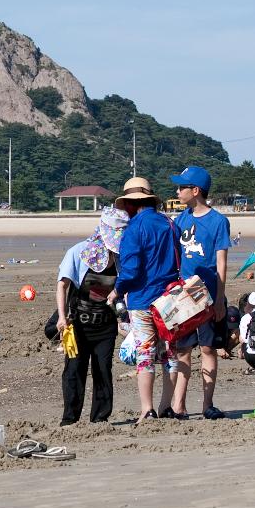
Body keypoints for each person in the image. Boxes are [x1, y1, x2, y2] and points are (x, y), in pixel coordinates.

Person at [112, 177, 183, 424]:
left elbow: (130, 270)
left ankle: (147, 409)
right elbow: (179, 262)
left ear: (131, 204)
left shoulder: (134, 229)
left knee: (145, 353)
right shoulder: (170, 225)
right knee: (169, 354)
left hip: (142, 299)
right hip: (170, 300)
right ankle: (166, 407)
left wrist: (117, 290)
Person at [168, 165, 231, 422]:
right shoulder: (179, 220)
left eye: (182, 187)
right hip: (184, 293)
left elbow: (222, 263)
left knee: (208, 349)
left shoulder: (218, 221)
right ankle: (179, 405)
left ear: (195, 191)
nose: (178, 191)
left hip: (207, 291)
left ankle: (207, 404)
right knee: (182, 350)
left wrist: (219, 300)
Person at [55, 207, 128, 425]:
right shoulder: (78, 252)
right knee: (74, 370)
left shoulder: (120, 258)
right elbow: (62, 285)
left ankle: (100, 418)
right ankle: (69, 419)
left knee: (103, 369)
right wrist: (61, 317)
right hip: (77, 323)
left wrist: (125, 321)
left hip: (105, 325)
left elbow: (126, 289)